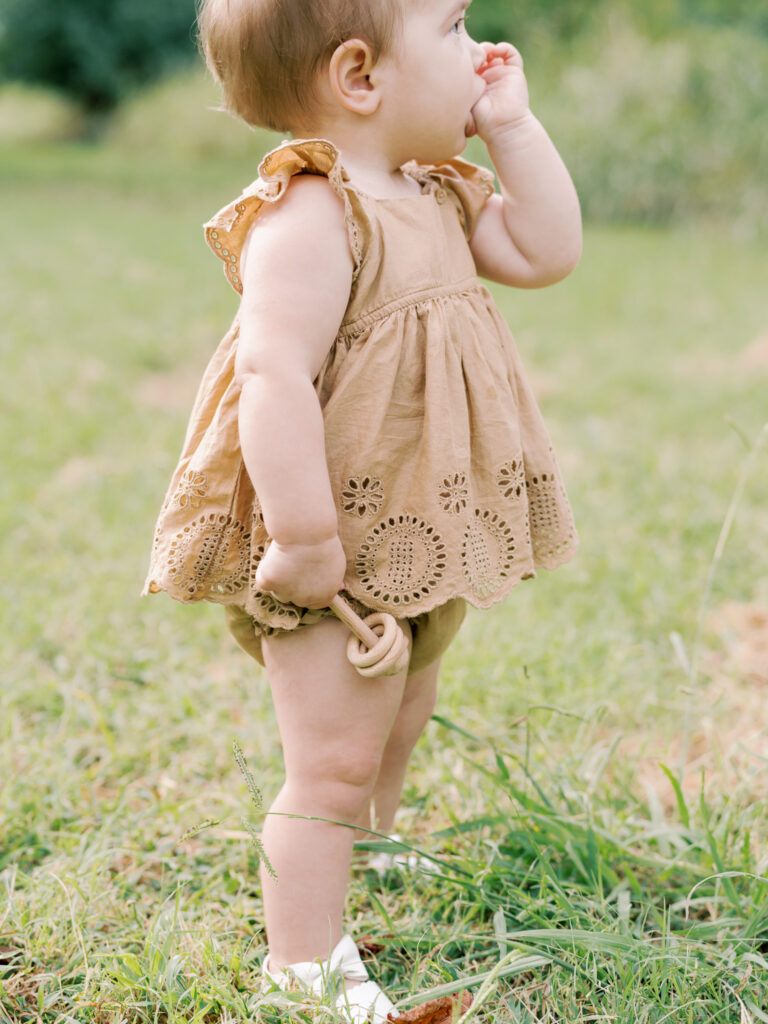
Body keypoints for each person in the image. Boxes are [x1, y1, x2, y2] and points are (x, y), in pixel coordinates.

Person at [144, 0, 582, 1019]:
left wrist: (512, 125)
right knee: (331, 761)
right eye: (456, 30)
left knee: (404, 703)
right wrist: (303, 539)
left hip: (411, 529)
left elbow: (548, 250)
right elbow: (273, 378)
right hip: (327, 541)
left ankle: (373, 846)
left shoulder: (435, 189)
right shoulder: (312, 213)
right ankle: (302, 966)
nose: (480, 52)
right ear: (361, 77)